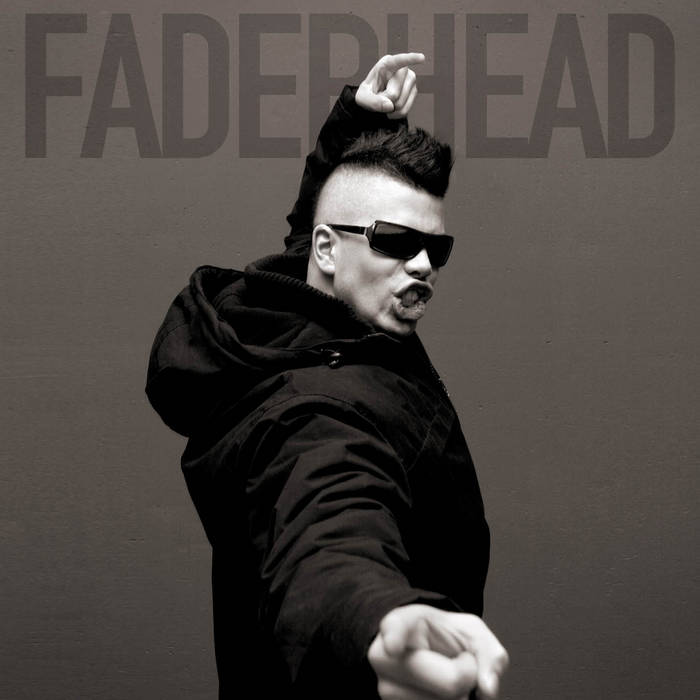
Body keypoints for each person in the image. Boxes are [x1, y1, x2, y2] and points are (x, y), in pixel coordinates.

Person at [146, 53, 508, 699]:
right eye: (395, 241)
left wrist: (355, 123)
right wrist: (379, 621)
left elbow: (313, 227)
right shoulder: (314, 414)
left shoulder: (293, 310)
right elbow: (326, 539)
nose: (422, 265)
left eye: (436, 248)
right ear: (328, 250)